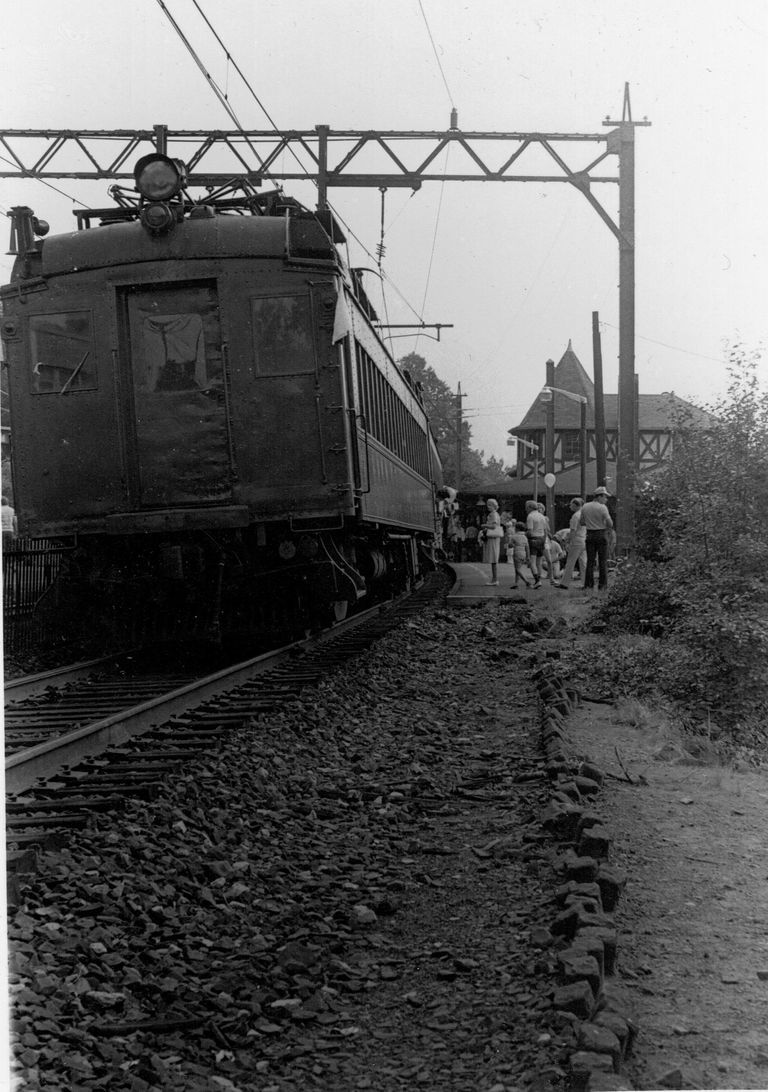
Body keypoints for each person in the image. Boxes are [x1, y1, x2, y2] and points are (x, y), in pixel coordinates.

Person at [579, 486, 614, 591]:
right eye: (605, 497)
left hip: (589, 534)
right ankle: (602, 585)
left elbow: (582, 522)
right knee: (602, 561)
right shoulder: (602, 507)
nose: (606, 499)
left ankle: (589, 585)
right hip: (601, 534)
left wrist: (591, 523)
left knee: (590, 561)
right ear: (599, 496)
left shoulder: (585, 506)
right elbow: (610, 523)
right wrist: (603, 525)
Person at [555, 497, 587, 588]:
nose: (570, 506)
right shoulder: (584, 515)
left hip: (576, 540)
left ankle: (564, 583)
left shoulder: (575, 516)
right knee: (583, 563)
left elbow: (573, 531)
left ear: (576, 505)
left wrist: (568, 541)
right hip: (583, 539)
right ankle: (585, 583)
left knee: (570, 562)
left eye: (571, 504)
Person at [525, 499, 548, 589]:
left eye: (526, 507)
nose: (526, 509)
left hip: (533, 539)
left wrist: (523, 534)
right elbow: (545, 530)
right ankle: (539, 578)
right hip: (542, 538)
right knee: (539, 562)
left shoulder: (530, 516)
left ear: (530, 507)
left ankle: (537, 580)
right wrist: (544, 540)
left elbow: (530, 531)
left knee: (532, 562)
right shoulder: (542, 516)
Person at [481, 498, 503, 586]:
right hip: (494, 537)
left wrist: (484, 525)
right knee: (494, 559)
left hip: (493, 537)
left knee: (493, 559)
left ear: (494, 506)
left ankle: (495, 579)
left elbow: (494, 526)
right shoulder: (495, 514)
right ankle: (494, 578)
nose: (488, 507)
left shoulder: (493, 514)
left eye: (490, 505)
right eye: (488, 505)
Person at [508, 521, 533, 589]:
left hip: (517, 553)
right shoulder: (525, 537)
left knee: (517, 569)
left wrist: (511, 544)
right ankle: (516, 584)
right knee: (518, 569)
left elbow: (510, 545)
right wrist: (528, 557)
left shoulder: (514, 536)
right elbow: (527, 548)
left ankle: (527, 582)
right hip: (524, 554)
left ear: (517, 529)